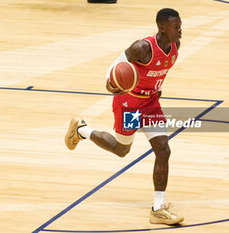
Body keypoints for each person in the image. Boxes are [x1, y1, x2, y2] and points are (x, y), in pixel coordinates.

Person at [65, 8, 183, 225]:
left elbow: (156, 72)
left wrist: (155, 88)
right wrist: (112, 83)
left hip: (150, 104)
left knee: (163, 149)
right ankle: (82, 131)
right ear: (161, 28)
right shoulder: (142, 48)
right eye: (176, 27)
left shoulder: (175, 46)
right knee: (122, 150)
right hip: (130, 103)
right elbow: (114, 68)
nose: (180, 30)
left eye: (180, 25)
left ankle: (158, 209)